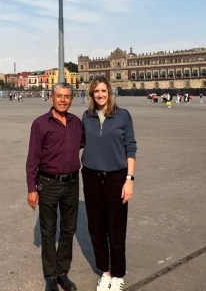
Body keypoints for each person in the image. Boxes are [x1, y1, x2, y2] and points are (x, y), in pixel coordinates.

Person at [26, 83, 84, 291]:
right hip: (48, 183)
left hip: (71, 183)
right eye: (59, 96)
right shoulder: (40, 124)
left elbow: (84, 144)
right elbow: (32, 158)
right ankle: (50, 277)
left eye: (66, 96)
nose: (62, 100)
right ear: (52, 97)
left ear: (71, 99)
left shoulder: (76, 122)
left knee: (68, 230)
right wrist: (32, 188)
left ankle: (62, 273)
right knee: (49, 231)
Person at [81, 77, 137, 291]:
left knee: (116, 228)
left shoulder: (123, 115)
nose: (100, 95)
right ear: (91, 94)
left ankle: (118, 274)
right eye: (96, 91)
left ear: (110, 92)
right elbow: (78, 141)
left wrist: (129, 179)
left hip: (116, 177)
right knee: (96, 228)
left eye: (103, 91)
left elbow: (130, 147)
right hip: (91, 177)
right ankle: (104, 272)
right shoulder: (87, 116)